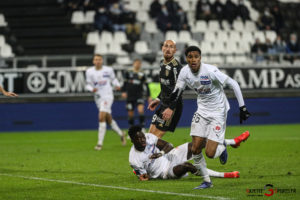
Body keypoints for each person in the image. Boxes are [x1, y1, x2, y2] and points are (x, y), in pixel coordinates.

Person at [164, 46, 251, 189]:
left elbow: (233, 83)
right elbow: (177, 90)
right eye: (190, 57)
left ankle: (222, 147)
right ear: (186, 59)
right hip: (202, 111)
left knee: (210, 153)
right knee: (195, 149)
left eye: (196, 56)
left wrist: (242, 107)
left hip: (218, 111)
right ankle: (207, 181)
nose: (193, 60)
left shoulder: (210, 71)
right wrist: (170, 101)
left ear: (200, 58)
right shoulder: (184, 72)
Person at [128, 125, 240, 181]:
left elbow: (169, 145)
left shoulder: (149, 137)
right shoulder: (134, 159)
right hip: (165, 172)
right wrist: (143, 176)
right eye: (138, 139)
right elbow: (144, 177)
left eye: (142, 137)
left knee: (196, 145)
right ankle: (224, 175)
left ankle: (226, 143)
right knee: (187, 166)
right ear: (132, 141)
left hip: (169, 156)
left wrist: (160, 154)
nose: (143, 140)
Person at [85, 54, 126, 150]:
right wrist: (92, 89)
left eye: (99, 59)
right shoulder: (89, 71)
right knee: (108, 118)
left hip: (108, 96)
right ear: (93, 61)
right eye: (96, 59)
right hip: (98, 97)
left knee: (101, 116)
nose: (97, 61)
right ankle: (121, 134)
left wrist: (117, 85)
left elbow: (114, 79)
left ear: (102, 61)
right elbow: (87, 84)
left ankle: (99, 144)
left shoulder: (108, 70)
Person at [147, 40, 183, 138]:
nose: (168, 49)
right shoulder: (161, 63)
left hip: (172, 106)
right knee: (149, 137)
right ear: (162, 48)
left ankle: (169, 151)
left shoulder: (177, 67)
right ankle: (164, 152)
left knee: (153, 141)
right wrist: (158, 99)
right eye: (166, 46)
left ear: (175, 50)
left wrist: (171, 108)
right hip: (163, 103)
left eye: (171, 47)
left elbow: (179, 89)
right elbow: (165, 86)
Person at [121, 59, 152, 130]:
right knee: (130, 114)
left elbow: (147, 85)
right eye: (136, 63)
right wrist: (123, 91)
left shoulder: (142, 73)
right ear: (133, 64)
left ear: (140, 65)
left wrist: (148, 96)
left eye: (139, 63)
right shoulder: (128, 72)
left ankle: (142, 128)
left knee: (141, 110)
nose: (137, 65)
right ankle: (131, 129)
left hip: (139, 95)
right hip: (130, 96)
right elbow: (124, 83)